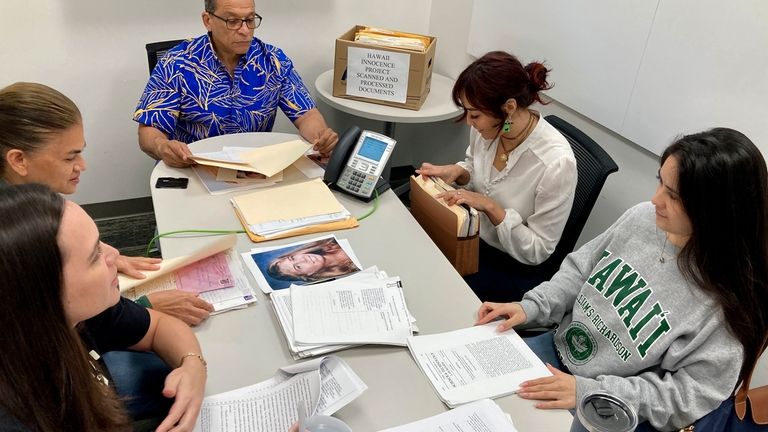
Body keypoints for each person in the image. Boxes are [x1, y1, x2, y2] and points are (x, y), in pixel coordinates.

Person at [476, 128, 768, 430]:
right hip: (556, 351)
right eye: (660, 182)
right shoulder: (643, 218)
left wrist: (589, 392)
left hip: (609, 405)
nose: (656, 199)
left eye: (673, 195)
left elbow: (687, 396)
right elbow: (579, 271)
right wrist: (531, 307)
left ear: (715, 212)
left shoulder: (729, 304)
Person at [0, 81, 214, 326]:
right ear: (18, 160)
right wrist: (144, 307)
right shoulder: (13, 236)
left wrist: (98, 253)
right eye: (70, 156)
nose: (82, 165)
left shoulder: (27, 197)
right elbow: (49, 331)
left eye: (80, 151)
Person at [0, 184, 207, 431]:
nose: (114, 253)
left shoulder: (81, 312)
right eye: (95, 254)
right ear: (42, 290)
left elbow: (159, 325)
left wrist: (193, 364)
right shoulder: (22, 413)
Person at [416, 51, 577, 303]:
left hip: (513, 266)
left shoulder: (555, 164)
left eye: (475, 115)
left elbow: (538, 250)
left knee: (432, 289)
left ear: (509, 108)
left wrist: (491, 207)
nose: (470, 122)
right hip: (472, 239)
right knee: (418, 258)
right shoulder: (488, 132)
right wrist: (458, 172)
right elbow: (476, 168)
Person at [133, 0, 339, 168]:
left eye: (250, 20)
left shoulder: (272, 60)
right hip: (195, 167)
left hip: (255, 168)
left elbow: (307, 115)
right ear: (208, 20)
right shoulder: (176, 63)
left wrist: (320, 136)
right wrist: (162, 147)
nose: (245, 30)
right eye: (232, 21)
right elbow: (149, 130)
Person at [267, 238, 358, 283]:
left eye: (292, 258)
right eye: (298, 267)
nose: (303, 259)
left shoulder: (328, 241)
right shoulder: (349, 274)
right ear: (308, 275)